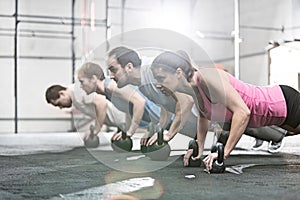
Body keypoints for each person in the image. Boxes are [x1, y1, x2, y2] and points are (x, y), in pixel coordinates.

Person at [150, 50, 298, 171]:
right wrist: (199, 148)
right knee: (291, 132)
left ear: (178, 72)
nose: (158, 85)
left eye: (161, 78)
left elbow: (242, 112)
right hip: (275, 117)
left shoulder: (206, 77)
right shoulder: (192, 90)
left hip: (282, 102)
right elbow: (204, 116)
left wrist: (223, 154)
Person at [106, 46, 198, 145]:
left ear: (129, 67)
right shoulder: (141, 82)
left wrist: (169, 135)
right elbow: (165, 105)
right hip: (199, 123)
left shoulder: (155, 70)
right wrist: (155, 129)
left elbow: (186, 100)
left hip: (209, 117)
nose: (111, 76)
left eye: (114, 70)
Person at [76, 62, 174, 141]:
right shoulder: (107, 91)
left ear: (93, 78)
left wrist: (130, 132)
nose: (81, 86)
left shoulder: (111, 86)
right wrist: (126, 131)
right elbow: (129, 109)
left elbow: (140, 102)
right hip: (158, 119)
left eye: (82, 81)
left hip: (167, 118)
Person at [45, 83, 128, 142]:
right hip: (122, 123)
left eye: (59, 103)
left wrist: (96, 129)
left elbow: (102, 103)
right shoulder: (75, 98)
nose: (60, 107)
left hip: (128, 118)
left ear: (62, 93)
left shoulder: (78, 91)